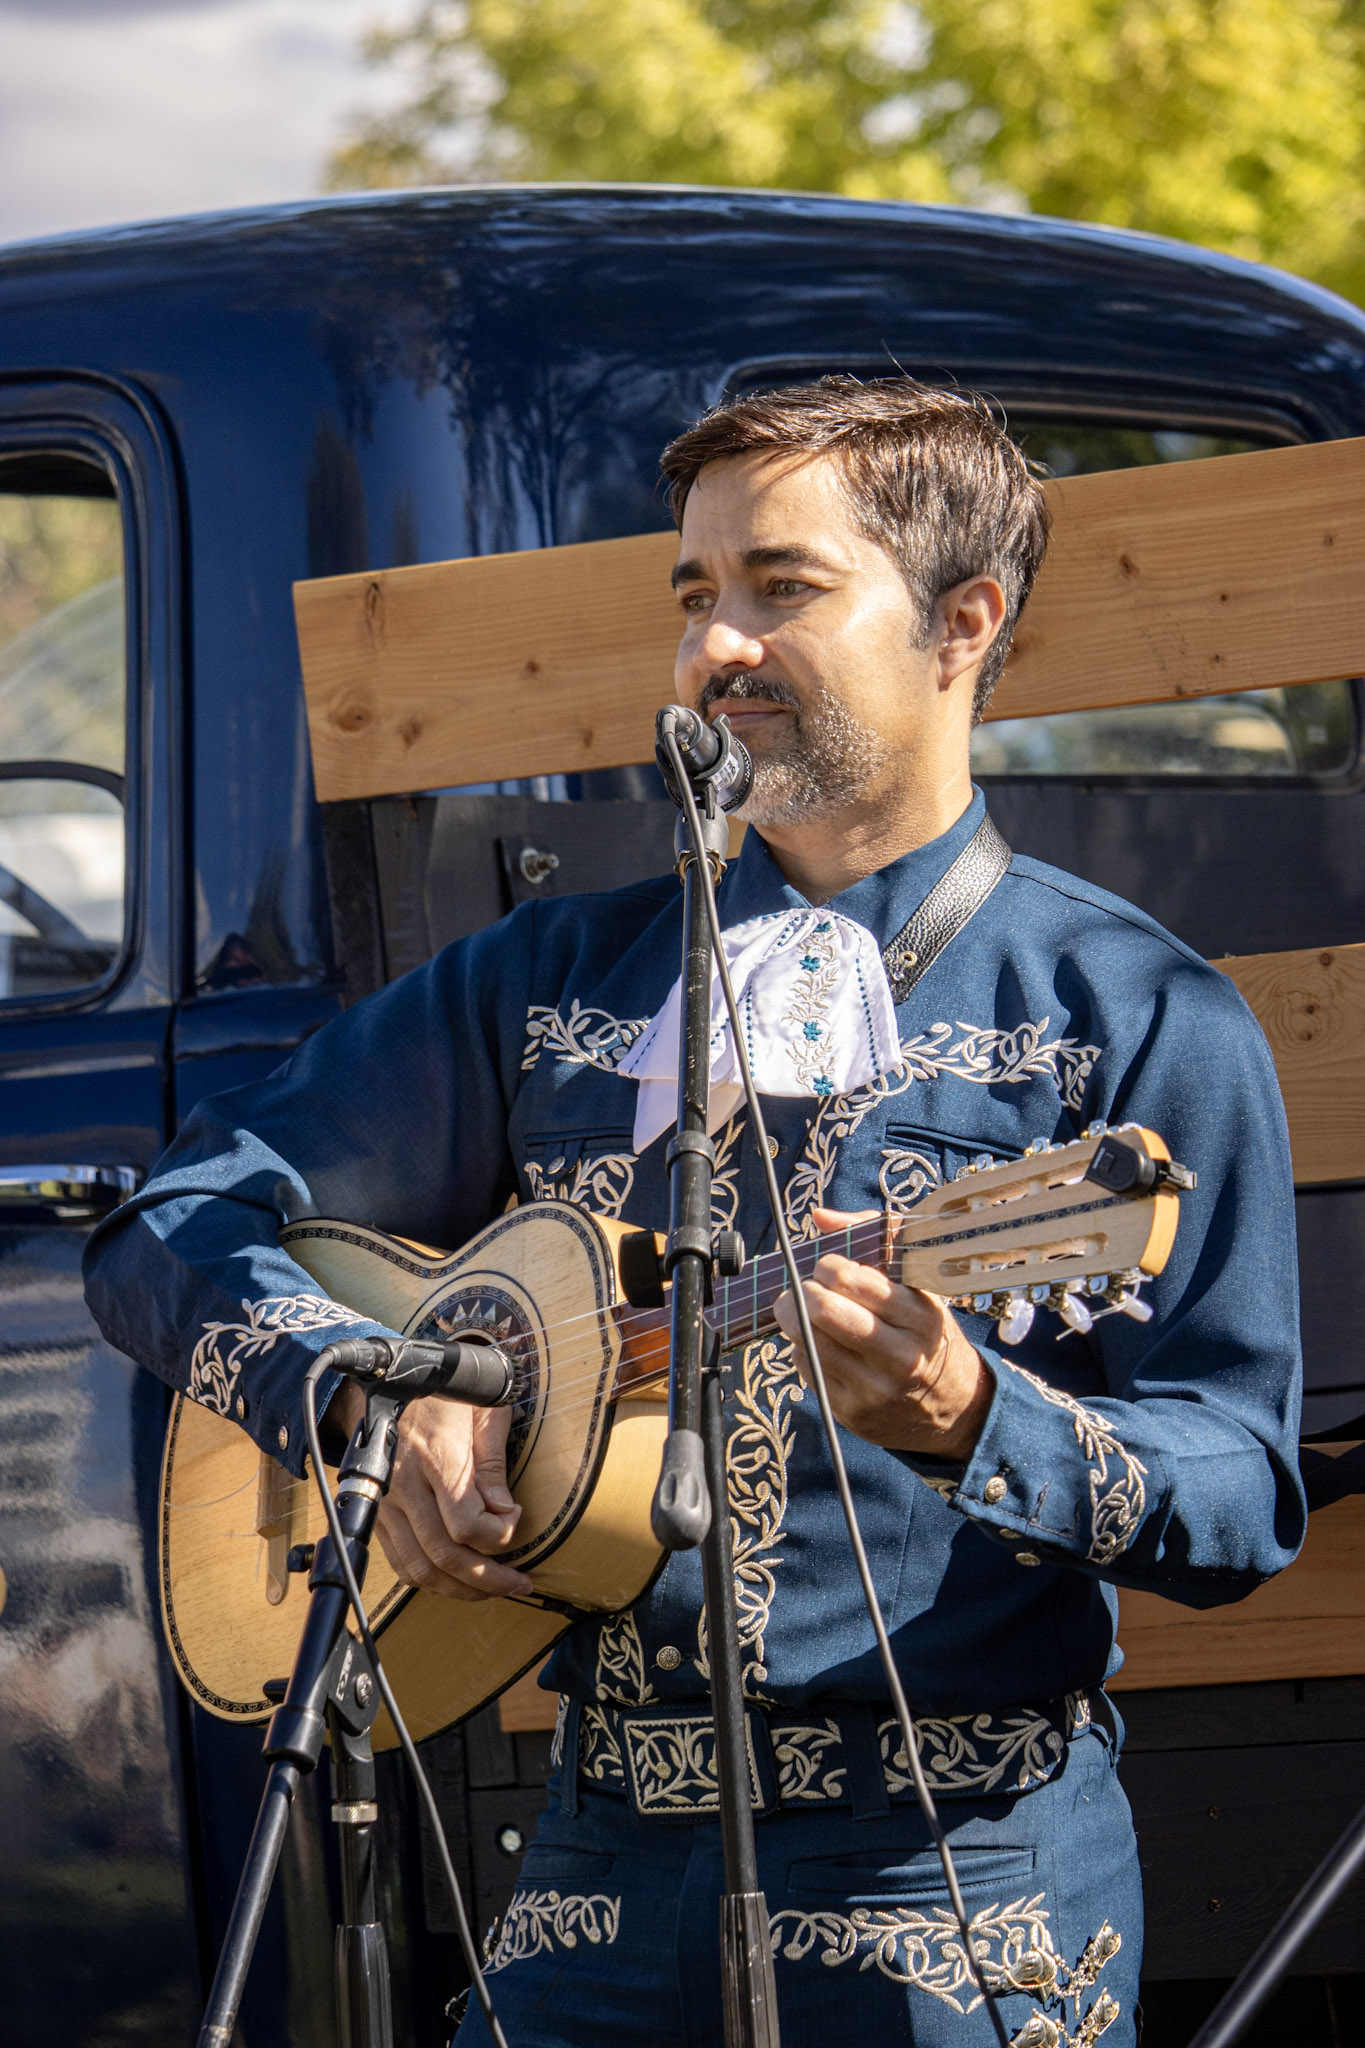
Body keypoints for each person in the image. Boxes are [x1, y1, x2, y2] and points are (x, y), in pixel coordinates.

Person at [84, 377, 1305, 2048]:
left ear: (964, 621)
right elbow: (176, 1220)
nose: (715, 645)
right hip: (593, 1849)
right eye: (694, 594)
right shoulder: (550, 980)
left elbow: (1242, 1490)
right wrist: (371, 1390)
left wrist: (974, 1417)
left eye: (780, 589)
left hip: (956, 1876)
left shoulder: (1130, 1009)